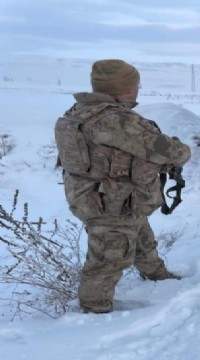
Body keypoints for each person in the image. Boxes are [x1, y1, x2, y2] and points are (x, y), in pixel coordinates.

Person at [54, 59, 191, 314]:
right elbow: (167, 151)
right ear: (126, 89)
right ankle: (94, 312)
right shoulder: (116, 120)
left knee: (140, 236)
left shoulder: (78, 112)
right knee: (108, 259)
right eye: (135, 84)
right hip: (112, 202)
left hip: (101, 197)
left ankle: (156, 275)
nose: (138, 88)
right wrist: (181, 151)